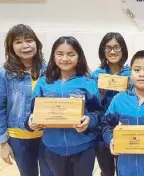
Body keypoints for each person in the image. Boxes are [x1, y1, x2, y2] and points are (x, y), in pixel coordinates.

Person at [27, 36, 103, 176]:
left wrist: (89, 120)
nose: (65, 58)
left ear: (79, 56)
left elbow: (98, 112)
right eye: (60, 54)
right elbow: (32, 112)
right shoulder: (44, 82)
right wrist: (31, 122)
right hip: (52, 147)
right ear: (53, 56)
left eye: (71, 54)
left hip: (83, 146)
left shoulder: (87, 81)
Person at [0, 24, 51, 176]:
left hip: (47, 136)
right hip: (19, 138)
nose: (25, 45)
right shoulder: (5, 74)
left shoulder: (49, 71)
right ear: (11, 47)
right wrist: (2, 143)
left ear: (37, 43)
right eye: (18, 42)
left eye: (29, 40)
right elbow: (0, 109)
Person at [92, 32, 130, 176]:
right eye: (108, 48)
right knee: (106, 171)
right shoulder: (96, 75)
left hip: (125, 128)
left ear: (123, 50)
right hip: (102, 131)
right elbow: (90, 107)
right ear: (103, 51)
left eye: (116, 47)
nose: (112, 51)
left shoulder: (131, 74)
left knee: (124, 169)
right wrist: (99, 96)